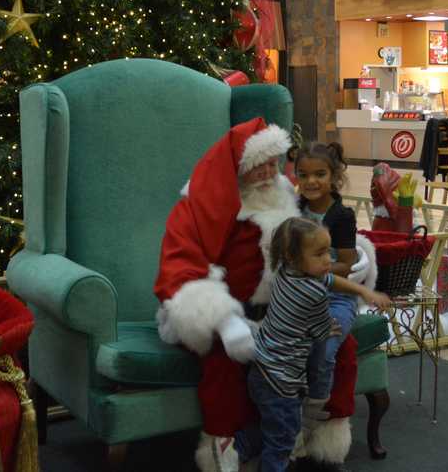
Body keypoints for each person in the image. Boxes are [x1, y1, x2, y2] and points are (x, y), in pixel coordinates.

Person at [153, 117, 375, 472]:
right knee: (225, 362)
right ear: (239, 167)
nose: (271, 172)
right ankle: (229, 451)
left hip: (285, 307)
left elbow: (321, 235)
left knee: (338, 345)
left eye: (275, 163)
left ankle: (314, 437)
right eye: (260, 165)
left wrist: (358, 256)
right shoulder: (200, 203)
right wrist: (226, 322)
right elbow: (178, 269)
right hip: (233, 313)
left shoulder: (288, 191)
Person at [244, 217, 392, 472]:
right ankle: (312, 409)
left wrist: (362, 291)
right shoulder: (311, 294)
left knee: (271, 428)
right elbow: (323, 331)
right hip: (282, 383)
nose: (329, 261)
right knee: (282, 442)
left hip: (261, 371)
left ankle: (235, 447)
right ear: (293, 257)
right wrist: (331, 326)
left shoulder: (286, 273)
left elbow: (331, 281)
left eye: (328, 252)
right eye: (320, 254)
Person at [294, 142, 359, 427]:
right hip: (298, 296)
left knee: (324, 347)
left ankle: (315, 406)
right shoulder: (294, 209)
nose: (311, 182)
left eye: (319, 174)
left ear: (334, 176)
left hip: (336, 298)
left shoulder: (342, 216)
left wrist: (317, 269)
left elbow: (348, 263)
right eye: (303, 175)